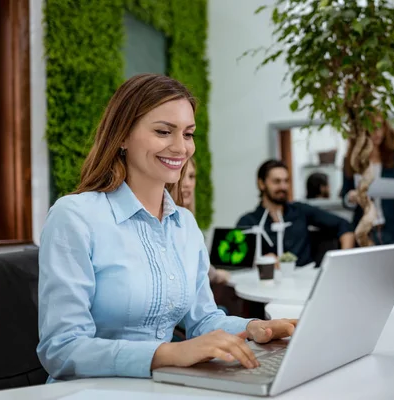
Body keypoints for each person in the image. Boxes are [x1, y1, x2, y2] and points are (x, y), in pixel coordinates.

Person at [37, 74, 296, 382]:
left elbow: (204, 320)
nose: (180, 148)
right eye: (163, 132)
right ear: (122, 136)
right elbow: (61, 349)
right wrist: (167, 354)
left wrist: (253, 328)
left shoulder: (184, 224)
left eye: (188, 134)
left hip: (163, 386)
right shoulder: (75, 217)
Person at [237, 160, 355, 267]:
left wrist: (341, 263)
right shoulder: (248, 222)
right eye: (276, 181)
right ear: (261, 184)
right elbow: (237, 262)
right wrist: (261, 261)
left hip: (305, 280)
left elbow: (344, 225)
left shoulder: (300, 211)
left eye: (286, 181)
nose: (283, 186)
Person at [341, 115, 394, 245]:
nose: (377, 133)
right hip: (365, 230)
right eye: (371, 128)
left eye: (380, 127)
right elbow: (345, 196)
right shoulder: (352, 160)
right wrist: (351, 197)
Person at [177, 157, 230, 284]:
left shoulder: (188, 221)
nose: (187, 184)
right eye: (181, 175)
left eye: (191, 176)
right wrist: (216, 275)